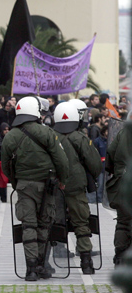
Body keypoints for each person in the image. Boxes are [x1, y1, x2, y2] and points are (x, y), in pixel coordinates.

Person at [1, 96, 69, 281]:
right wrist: (62, 180)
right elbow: (61, 160)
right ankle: (41, 265)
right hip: (47, 186)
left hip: (24, 186)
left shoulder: (11, 135)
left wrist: (16, 183)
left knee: (28, 226)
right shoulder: (47, 133)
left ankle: (30, 269)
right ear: (36, 112)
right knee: (44, 224)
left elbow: (5, 165)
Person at [52, 102, 102, 274]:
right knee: (81, 222)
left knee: (52, 221)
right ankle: (86, 262)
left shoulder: (49, 136)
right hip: (75, 187)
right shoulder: (80, 138)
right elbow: (95, 164)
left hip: (54, 187)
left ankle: (44, 260)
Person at [106, 110, 132, 266]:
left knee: (122, 222)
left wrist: (115, 171)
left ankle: (120, 256)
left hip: (122, 183)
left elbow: (110, 153)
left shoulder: (122, 134)